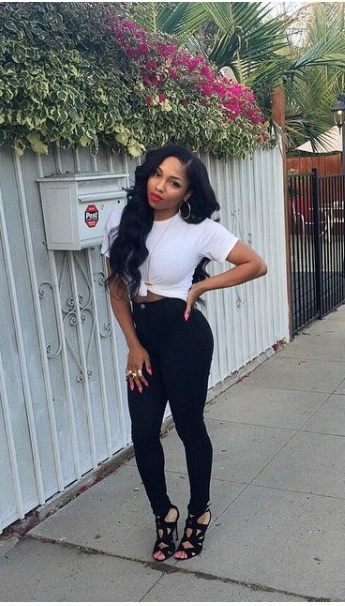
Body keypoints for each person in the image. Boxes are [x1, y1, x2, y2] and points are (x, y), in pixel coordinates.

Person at [101, 143, 267, 562]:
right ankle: (165, 514)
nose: (160, 186)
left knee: (190, 428)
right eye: (157, 174)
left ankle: (199, 511)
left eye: (174, 182)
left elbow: (255, 264)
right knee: (143, 434)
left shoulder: (200, 230)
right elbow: (117, 288)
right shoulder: (120, 220)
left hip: (185, 338)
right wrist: (133, 345)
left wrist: (201, 286)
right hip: (143, 341)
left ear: (187, 193)